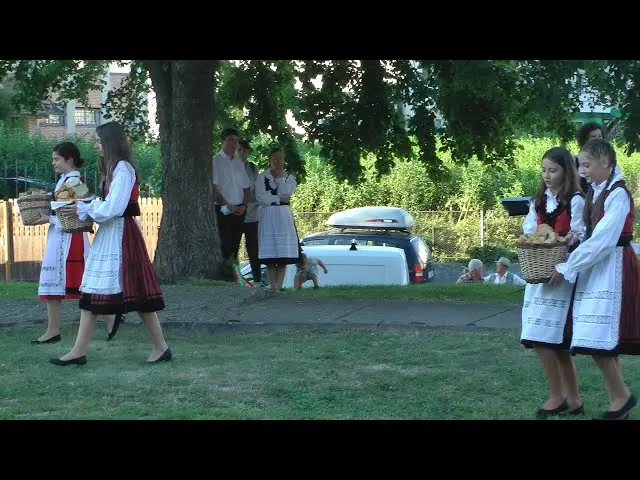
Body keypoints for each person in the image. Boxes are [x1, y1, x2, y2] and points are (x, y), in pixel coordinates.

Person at [50, 121, 170, 366]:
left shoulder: (123, 170)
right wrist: (90, 206)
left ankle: (160, 346)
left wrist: (87, 206)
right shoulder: (114, 169)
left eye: (99, 141)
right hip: (110, 235)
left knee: (137, 295)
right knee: (93, 293)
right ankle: (78, 351)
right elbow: (108, 206)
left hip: (120, 236)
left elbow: (113, 209)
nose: (96, 145)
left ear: (111, 142)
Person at [551, 139, 639, 420]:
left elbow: (604, 240)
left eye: (586, 165)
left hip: (613, 266)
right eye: (581, 165)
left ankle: (621, 398)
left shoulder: (618, 194)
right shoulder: (597, 191)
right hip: (597, 268)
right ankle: (620, 399)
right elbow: (591, 234)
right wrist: (576, 237)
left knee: (600, 337)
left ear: (605, 162)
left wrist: (569, 266)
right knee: (595, 338)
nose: (582, 170)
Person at [520, 146, 586, 418]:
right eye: (544, 170)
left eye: (553, 170)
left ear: (566, 171)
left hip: (560, 274)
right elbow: (528, 227)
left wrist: (566, 253)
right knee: (552, 342)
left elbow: (580, 232)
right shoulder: (539, 199)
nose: (547, 175)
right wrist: (535, 235)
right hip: (538, 272)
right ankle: (573, 399)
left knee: (545, 338)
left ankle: (558, 396)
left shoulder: (576, 200)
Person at [32, 142, 119, 344]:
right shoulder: (65, 180)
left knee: (86, 285)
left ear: (69, 159)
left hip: (70, 240)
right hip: (60, 237)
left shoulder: (73, 181)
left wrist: (48, 218)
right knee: (57, 285)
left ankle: (111, 321)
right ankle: (53, 330)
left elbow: (81, 209)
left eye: (57, 159)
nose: (53, 163)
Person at [255, 146, 301, 291]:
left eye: (280, 158)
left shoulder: (289, 178)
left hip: (283, 217)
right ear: (270, 160)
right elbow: (261, 198)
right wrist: (277, 199)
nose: (278, 161)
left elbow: (286, 195)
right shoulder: (262, 177)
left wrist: (280, 180)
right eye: (275, 158)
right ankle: (272, 286)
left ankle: (279, 287)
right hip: (268, 217)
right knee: (270, 256)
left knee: (282, 255)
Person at [212, 128, 251, 278]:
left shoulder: (239, 163)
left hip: (239, 209)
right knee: (225, 243)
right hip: (223, 209)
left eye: (236, 140)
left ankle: (235, 275)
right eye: (230, 140)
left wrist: (244, 206)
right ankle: (225, 274)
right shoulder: (216, 161)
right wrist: (226, 204)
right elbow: (214, 188)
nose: (234, 144)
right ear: (223, 141)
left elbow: (247, 188)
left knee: (235, 244)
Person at [236, 139, 262, 286]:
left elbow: (257, 190)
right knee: (233, 247)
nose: (242, 153)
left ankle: (257, 281)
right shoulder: (231, 167)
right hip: (236, 213)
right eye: (239, 150)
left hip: (252, 213)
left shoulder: (252, 168)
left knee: (253, 248)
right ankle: (234, 279)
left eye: (244, 150)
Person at [575, 122, 605, 193]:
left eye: (599, 136)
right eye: (593, 136)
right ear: (585, 139)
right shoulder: (576, 161)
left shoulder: (609, 162)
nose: (597, 139)